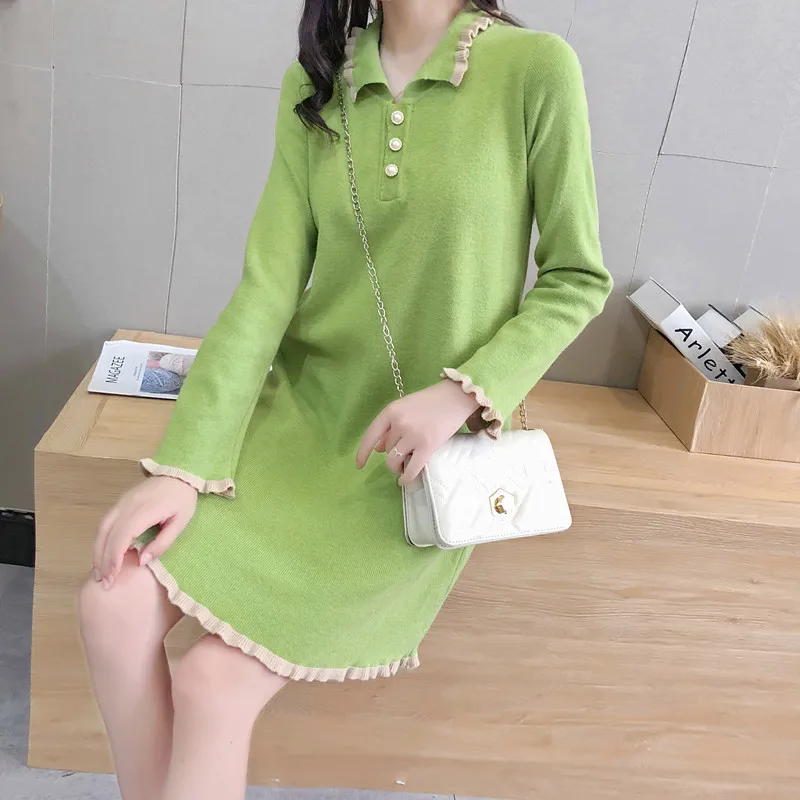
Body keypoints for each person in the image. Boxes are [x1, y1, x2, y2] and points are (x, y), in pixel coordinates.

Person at [77, 1, 612, 798]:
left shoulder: (535, 69)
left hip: (410, 463)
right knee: (111, 605)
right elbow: (265, 292)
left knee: (211, 685)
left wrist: (462, 394)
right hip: (299, 423)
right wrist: (184, 468)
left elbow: (577, 279)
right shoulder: (318, 81)